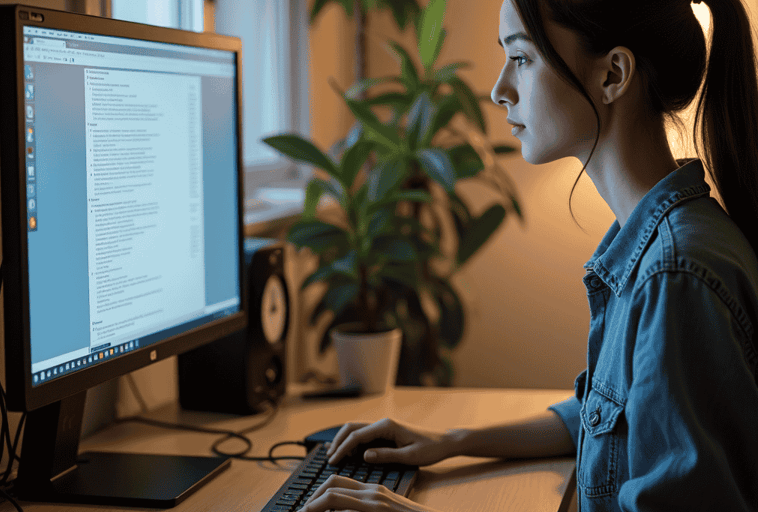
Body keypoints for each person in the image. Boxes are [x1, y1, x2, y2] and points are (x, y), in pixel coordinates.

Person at [298, 0, 758, 510]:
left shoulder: (675, 275)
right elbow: (602, 414)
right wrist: (450, 442)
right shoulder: (653, 242)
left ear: (613, 74)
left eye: (521, 59)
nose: (499, 91)